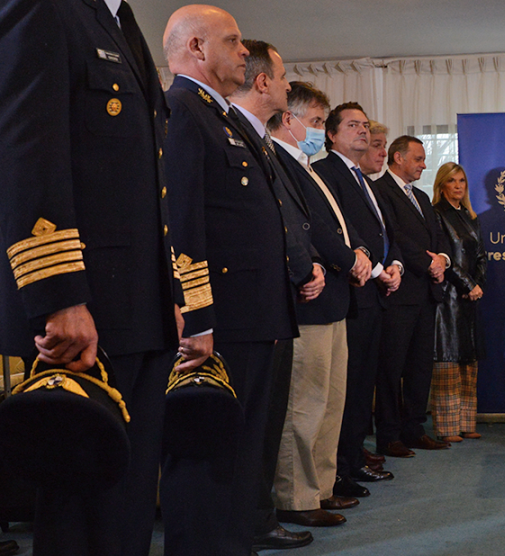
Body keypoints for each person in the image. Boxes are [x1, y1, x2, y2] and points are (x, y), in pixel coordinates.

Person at [0, 1, 183, 554]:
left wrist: (170, 293)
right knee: (82, 508)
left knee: (125, 504)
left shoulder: (120, 21)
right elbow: (27, 154)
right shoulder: (45, 8)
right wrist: (59, 297)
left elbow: (146, 179)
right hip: (89, 305)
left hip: (139, 305)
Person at [160, 6, 298, 555]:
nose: (245, 52)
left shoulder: (219, 117)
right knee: (206, 458)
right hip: (220, 321)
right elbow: (181, 222)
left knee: (241, 456)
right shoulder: (182, 111)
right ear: (197, 48)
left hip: (251, 315)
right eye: (234, 41)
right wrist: (196, 316)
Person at [226, 43, 324, 549]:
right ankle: (250, 521)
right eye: (284, 77)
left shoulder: (258, 139)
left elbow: (286, 220)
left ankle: (258, 519)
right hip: (242, 308)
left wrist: (306, 266)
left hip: (275, 301)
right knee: (249, 431)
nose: (288, 86)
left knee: (265, 427)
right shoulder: (225, 129)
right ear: (263, 83)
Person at [268, 82, 378, 530]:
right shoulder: (278, 162)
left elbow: (339, 226)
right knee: (305, 407)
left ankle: (323, 487)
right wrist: (346, 258)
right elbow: (305, 230)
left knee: (331, 404)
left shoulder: (308, 165)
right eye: (315, 122)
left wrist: (359, 253)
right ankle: (296, 497)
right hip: (308, 300)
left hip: (335, 298)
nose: (317, 130)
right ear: (288, 120)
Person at [312, 103, 403, 496]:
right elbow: (341, 232)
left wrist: (393, 263)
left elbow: (381, 232)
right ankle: (339, 470)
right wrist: (378, 268)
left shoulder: (363, 176)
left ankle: (352, 458)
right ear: (331, 135)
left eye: (365, 126)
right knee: (344, 392)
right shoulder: (325, 172)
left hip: (374, 293)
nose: (363, 132)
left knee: (362, 387)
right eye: (353, 125)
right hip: (350, 292)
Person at [374, 136, 452, 455]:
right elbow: (396, 238)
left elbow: (439, 237)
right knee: (392, 367)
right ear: (398, 157)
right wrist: (427, 263)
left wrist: (443, 260)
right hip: (398, 293)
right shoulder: (380, 192)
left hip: (426, 295)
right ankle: (389, 434)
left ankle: (414, 428)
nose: (423, 165)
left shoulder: (420, 196)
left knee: (421, 366)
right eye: (418, 159)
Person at [430, 163, 487, 442]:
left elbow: (481, 257)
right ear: (442, 185)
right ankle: (447, 427)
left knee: (468, 361)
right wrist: (467, 284)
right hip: (447, 297)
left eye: (462, 180)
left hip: (469, 299)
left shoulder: (471, 216)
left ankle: (466, 423)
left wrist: (477, 285)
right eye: (452, 180)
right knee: (448, 361)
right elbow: (444, 257)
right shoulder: (437, 214)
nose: (458, 185)